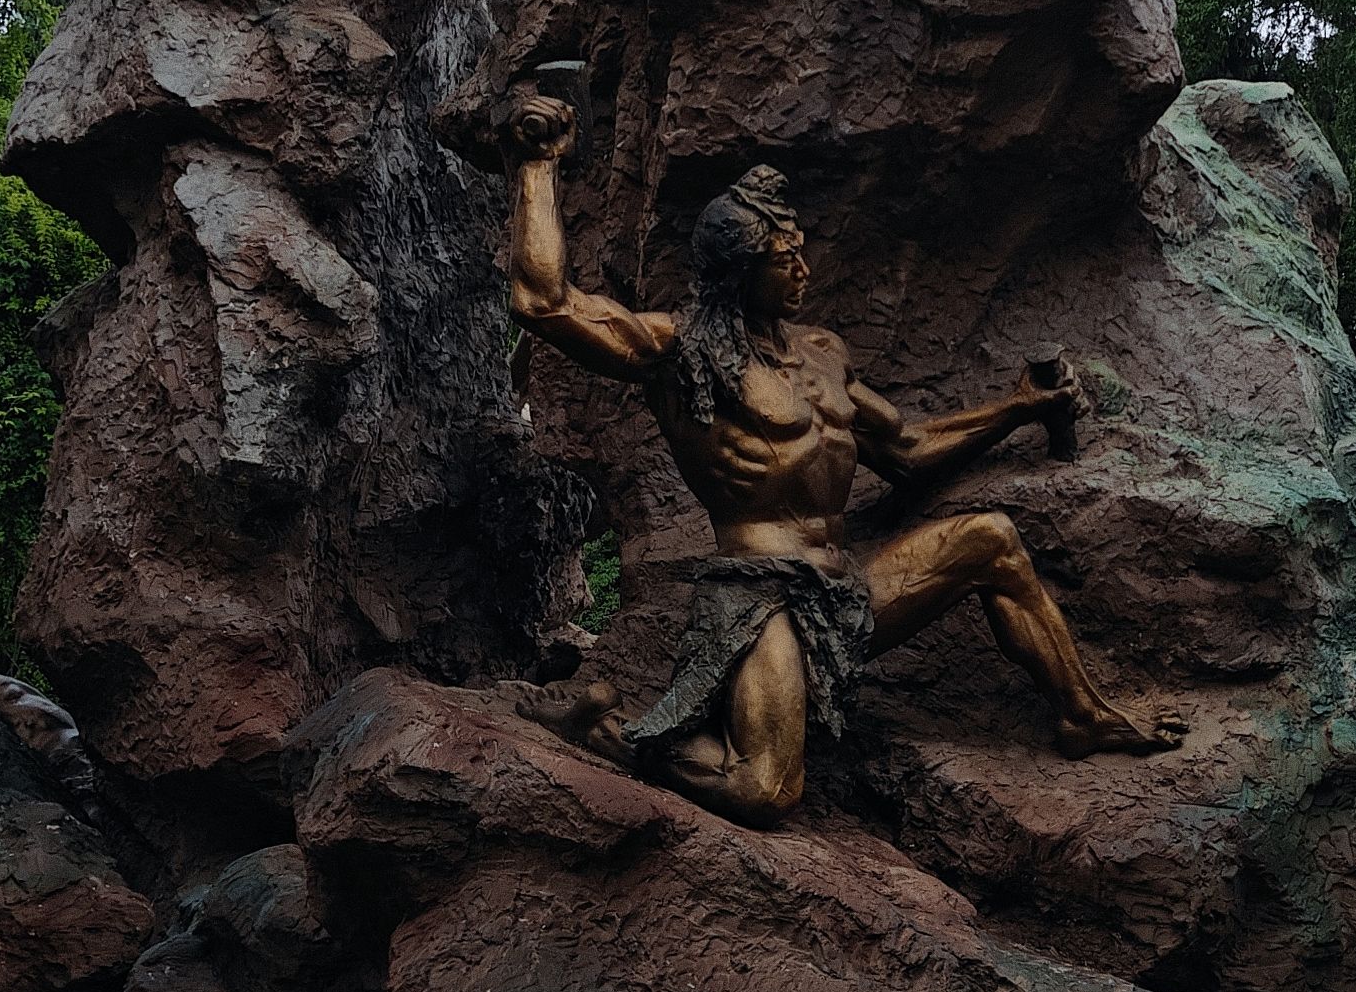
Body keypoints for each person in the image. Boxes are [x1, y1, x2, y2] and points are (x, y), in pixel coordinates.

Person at [495, 107, 1182, 826]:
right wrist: (537, 165)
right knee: (766, 791)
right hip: (760, 599)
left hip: (846, 590)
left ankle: (1083, 715)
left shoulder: (822, 353)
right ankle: (608, 732)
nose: (804, 270)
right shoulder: (680, 350)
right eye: (783, 259)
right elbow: (544, 303)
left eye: (801, 252)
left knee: (991, 539)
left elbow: (907, 450)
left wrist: (1017, 408)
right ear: (740, 269)